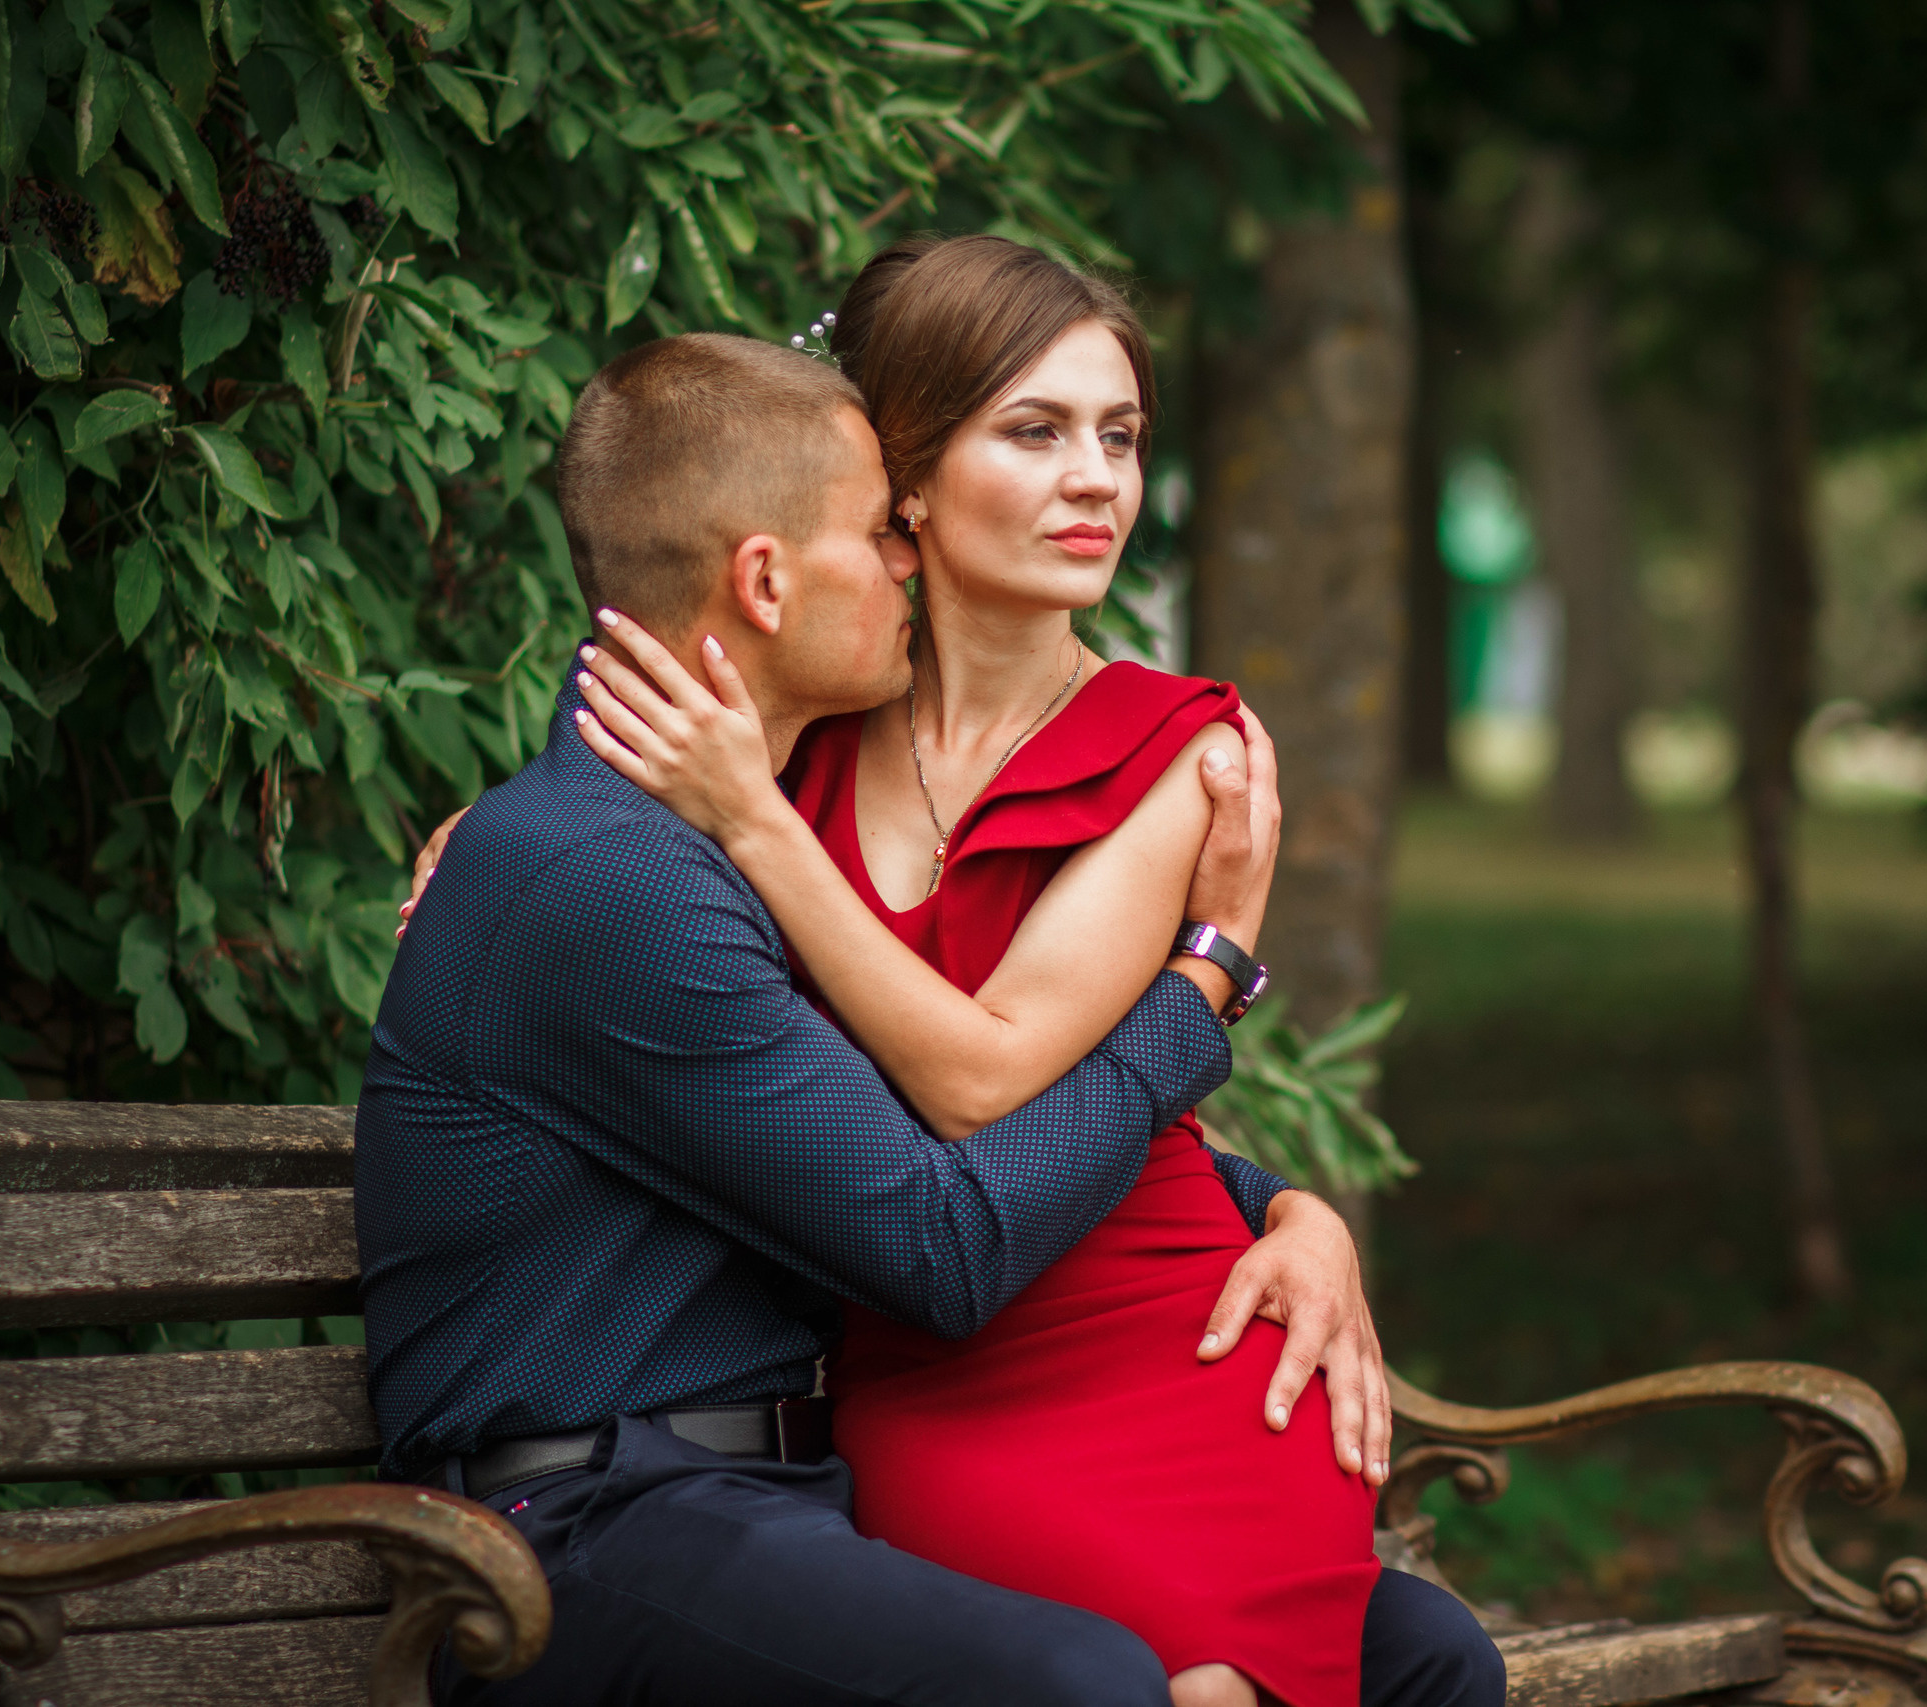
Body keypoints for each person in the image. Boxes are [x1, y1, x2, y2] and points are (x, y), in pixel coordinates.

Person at [368, 325, 1497, 1707]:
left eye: (1121, 433)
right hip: (573, 1530)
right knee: (1084, 1687)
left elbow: (883, 1115)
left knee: (1427, 1660)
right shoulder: (611, 874)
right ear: (765, 580)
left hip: (769, 1485)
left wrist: (1281, 1208)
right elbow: (942, 1241)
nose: (906, 559)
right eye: (877, 533)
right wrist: (1202, 984)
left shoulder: (713, 828)